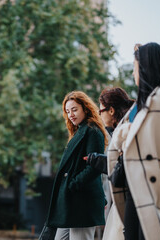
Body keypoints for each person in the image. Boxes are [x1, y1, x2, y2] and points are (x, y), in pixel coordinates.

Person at [106, 42, 160, 239]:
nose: (133, 73)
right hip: (133, 184)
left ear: (146, 65)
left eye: (135, 67)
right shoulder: (141, 103)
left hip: (154, 186)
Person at [45, 91, 108, 240]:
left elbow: (94, 166)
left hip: (82, 201)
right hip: (71, 202)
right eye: (68, 111)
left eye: (74, 109)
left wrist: (73, 184)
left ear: (85, 108)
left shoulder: (92, 131)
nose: (71, 114)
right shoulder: (80, 131)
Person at [86, 87, 134, 240]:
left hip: (130, 199)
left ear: (111, 110)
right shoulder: (121, 127)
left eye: (101, 111)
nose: (99, 115)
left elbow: (125, 165)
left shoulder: (126, 128)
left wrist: (99, 161)